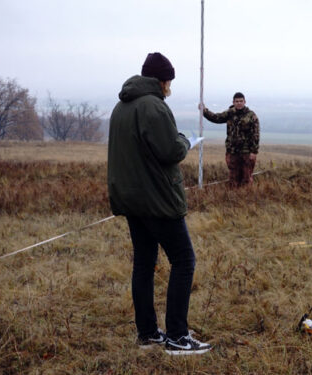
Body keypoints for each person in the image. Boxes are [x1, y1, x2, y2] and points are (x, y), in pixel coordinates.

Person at [107, 52, 211, 355]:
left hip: (132, 200)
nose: (170, 88)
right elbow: (169, 151)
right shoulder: (153, 107)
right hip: (158, 200)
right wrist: (184, 141)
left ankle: (148, 333)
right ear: (161, 80)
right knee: (184, 261)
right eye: (169, 82)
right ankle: (178, 337)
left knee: (144, 263)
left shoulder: (120, 107)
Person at [200, 92, 260, 187]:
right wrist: (204, 111)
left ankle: (246, 199)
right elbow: (216, 118)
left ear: (245, 102)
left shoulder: (251, 116)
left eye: (241, 101)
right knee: (233, 179)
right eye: (237, 101)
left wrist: (254, 151)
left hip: (246, 152)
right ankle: (233, 199)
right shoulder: (230, 113)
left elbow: (255, 134)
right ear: (233, 102)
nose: (239, 103)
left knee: (246, 178)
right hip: (232, 151)